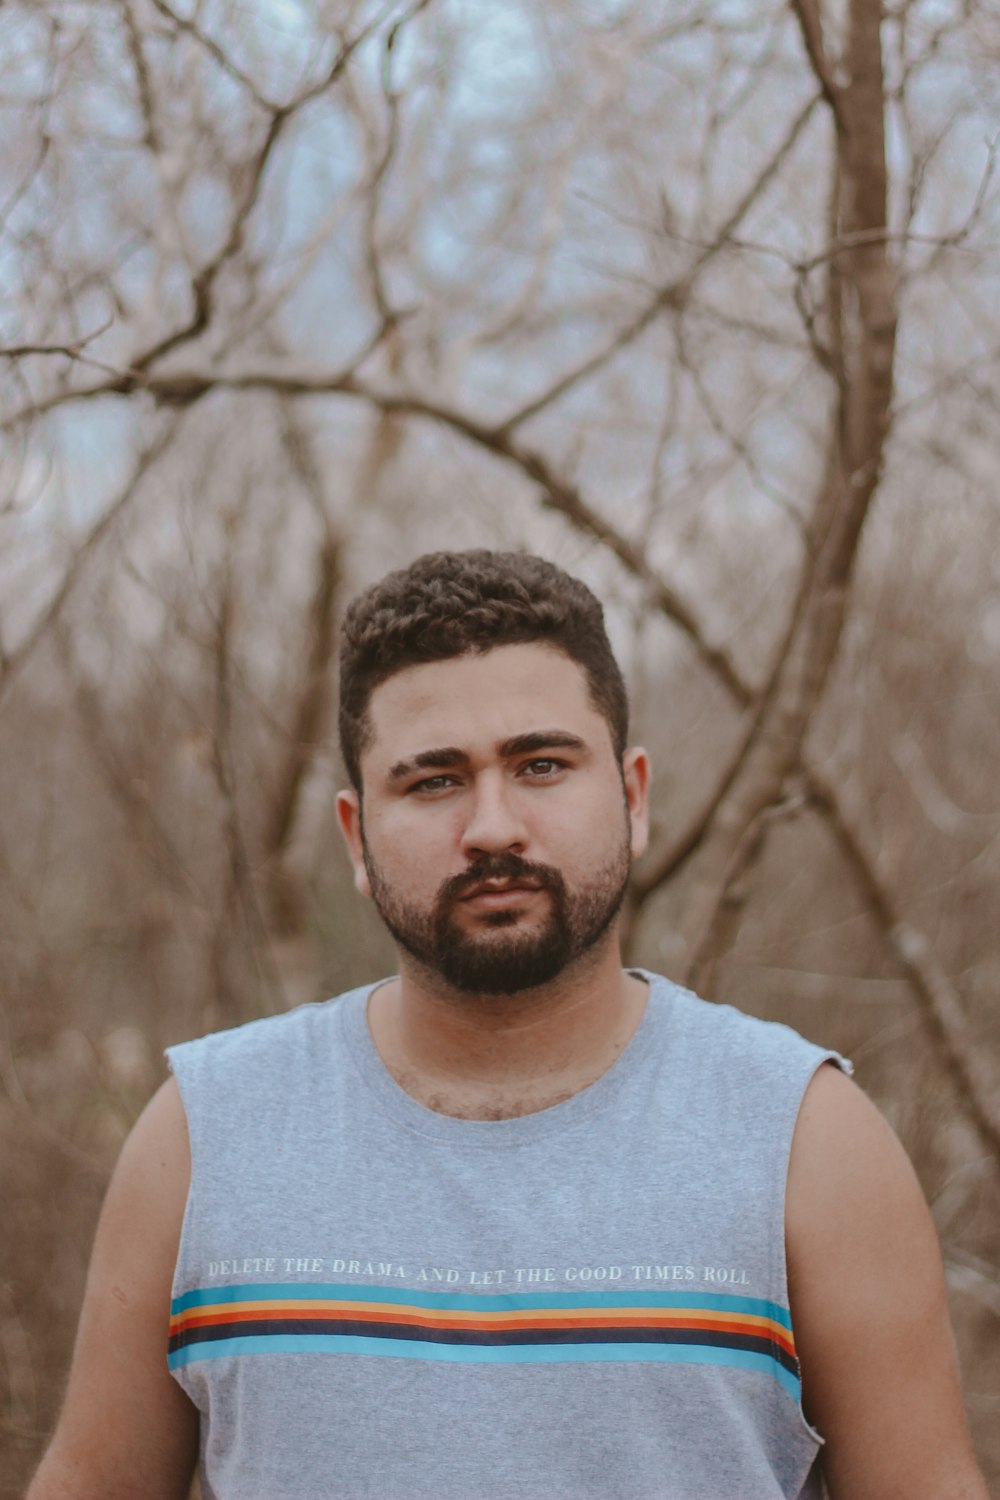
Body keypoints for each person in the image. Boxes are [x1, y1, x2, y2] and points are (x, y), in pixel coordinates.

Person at [29, 550, 987, 1500]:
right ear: (357, 836)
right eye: (434, 781)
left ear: (633, 796)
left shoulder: (808, 1140)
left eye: (541, 765)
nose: (493, 826)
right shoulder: (204, 1136)